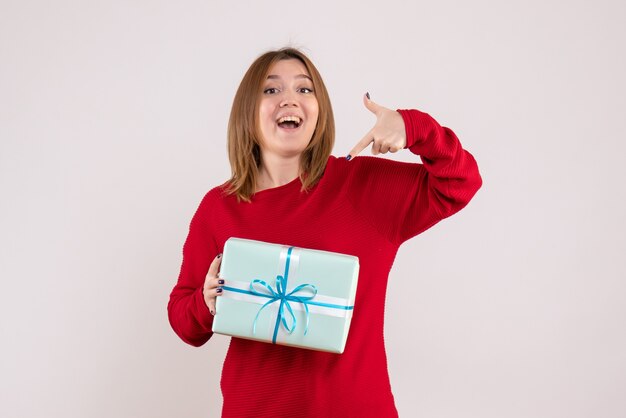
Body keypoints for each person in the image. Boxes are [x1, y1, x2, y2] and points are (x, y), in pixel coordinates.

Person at [168, 47, 482, 417]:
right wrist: (207, 301)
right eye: (271, 90)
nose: (289, 99)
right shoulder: (218, 207)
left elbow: (460, 182)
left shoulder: (363, 187)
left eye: (304, 89)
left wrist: (415, 129)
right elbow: (183, 320)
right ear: (247, 112)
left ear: (319, 109)